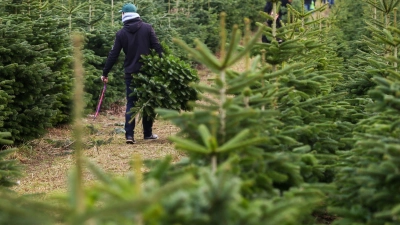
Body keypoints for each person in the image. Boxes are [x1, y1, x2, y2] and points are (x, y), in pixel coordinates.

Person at [101, 3, 163, 144]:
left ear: (124, 14)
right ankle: (147, 134)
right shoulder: (147, 28)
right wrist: (162, 66)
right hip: (148, 73)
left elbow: (113, 54)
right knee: (148, 102)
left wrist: (105, 72)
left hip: (131, 73)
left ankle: (129, 136)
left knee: (131, 103)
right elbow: (157, 47)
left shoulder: (121, 33)